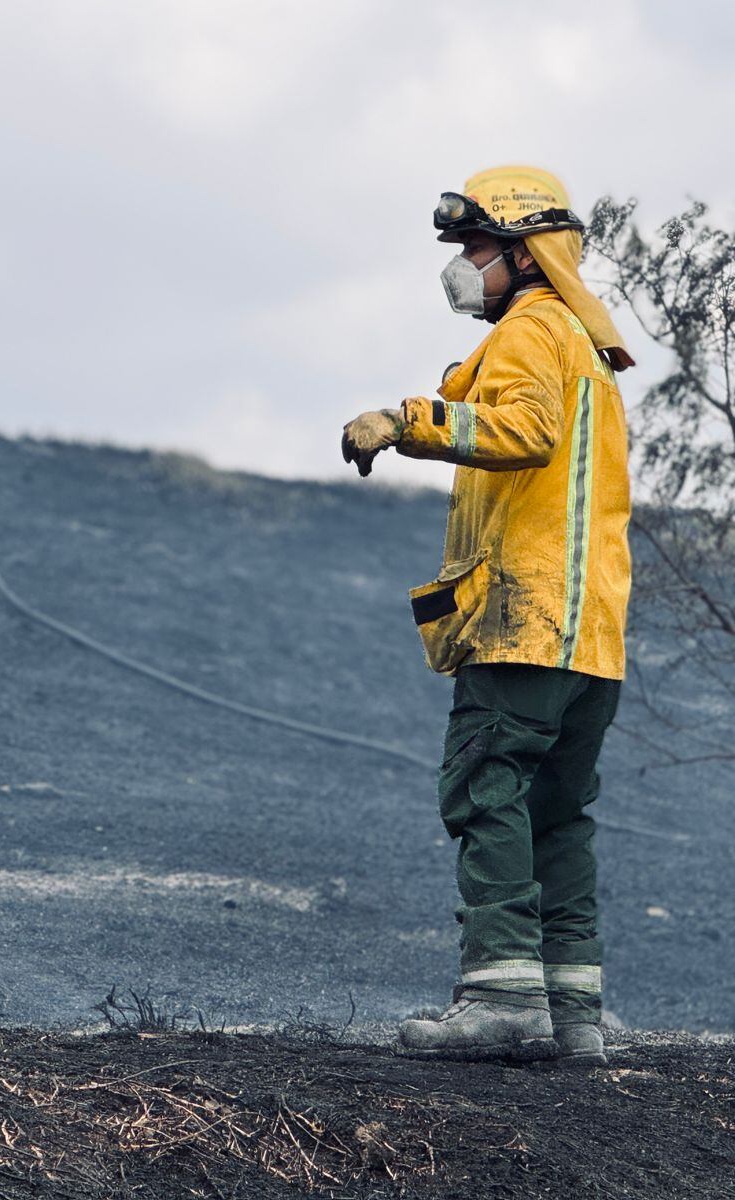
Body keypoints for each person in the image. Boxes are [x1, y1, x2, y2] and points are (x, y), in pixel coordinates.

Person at [340, 166, 635, 1067]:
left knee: (486, 788)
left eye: (476, 245)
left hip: (524, 621)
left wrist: (406, 420)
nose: (464, 263)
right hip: (591, 639)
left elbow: (524, 431)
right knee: (558, 815)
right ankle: (573, 1013)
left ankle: (503, 1000)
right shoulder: (586, 347)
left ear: (526, 253)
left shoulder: (530, 330)